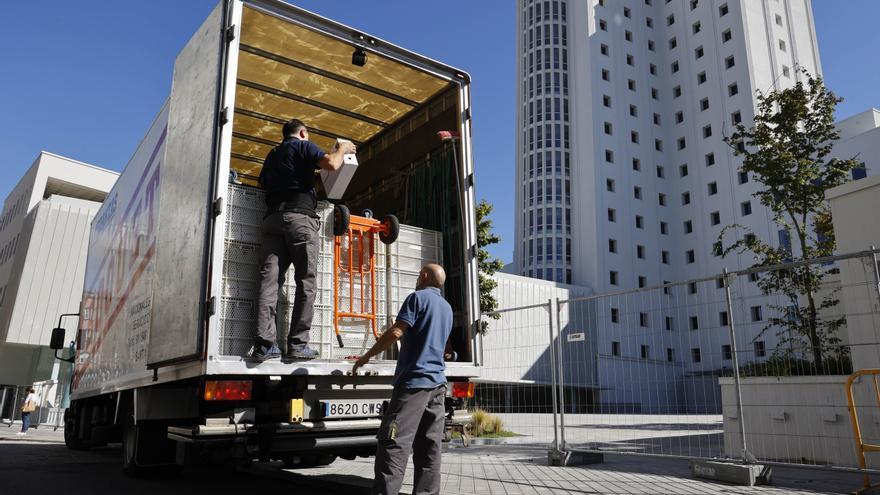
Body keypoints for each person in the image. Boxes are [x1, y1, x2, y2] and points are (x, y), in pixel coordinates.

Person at [251, 119, 356, 362]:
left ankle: (265, 344)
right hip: (300, 220)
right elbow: (331, 163)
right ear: (302, 132)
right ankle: (297, 345)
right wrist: (342, 149)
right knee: (306, 283)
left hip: (272, 221)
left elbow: (264, 182)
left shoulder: (272, 154)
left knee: (269, 282)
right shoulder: (303, 146)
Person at [352, 264, 454, 495]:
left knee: (394, 444)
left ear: (423, 276)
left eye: (419, 274)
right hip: (438, 386)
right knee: (429, 448)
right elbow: (447, 347)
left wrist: (366, 357)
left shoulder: (416, 298)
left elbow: (397, 332)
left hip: (413, 385)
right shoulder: (447, 308)